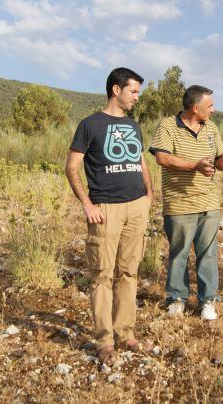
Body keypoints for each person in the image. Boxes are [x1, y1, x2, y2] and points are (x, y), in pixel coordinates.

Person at [65, 67, 154, 365]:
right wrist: (87, 204)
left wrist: (148, 195)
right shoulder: (90, 125)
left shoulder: (133, 125)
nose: (136, 98)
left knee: (129, 273)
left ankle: (125, 333)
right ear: (116, 90)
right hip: (105, 209)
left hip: (136, 207)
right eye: (133, 91)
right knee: (102, 275)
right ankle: (104, 341)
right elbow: (72, 167)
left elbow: (140, 162)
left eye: (138, 93)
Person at [149, 85, 223, 320]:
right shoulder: (168, 126)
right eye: (210, 106)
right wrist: (193, 165)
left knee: (208, 253)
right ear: (195, 108)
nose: (214, 110)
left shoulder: (211, 128)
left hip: (209, 202)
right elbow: (162, 157)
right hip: (179, 203)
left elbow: (218, 160)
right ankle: (177, 299)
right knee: (179, 253)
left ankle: (208, 301)